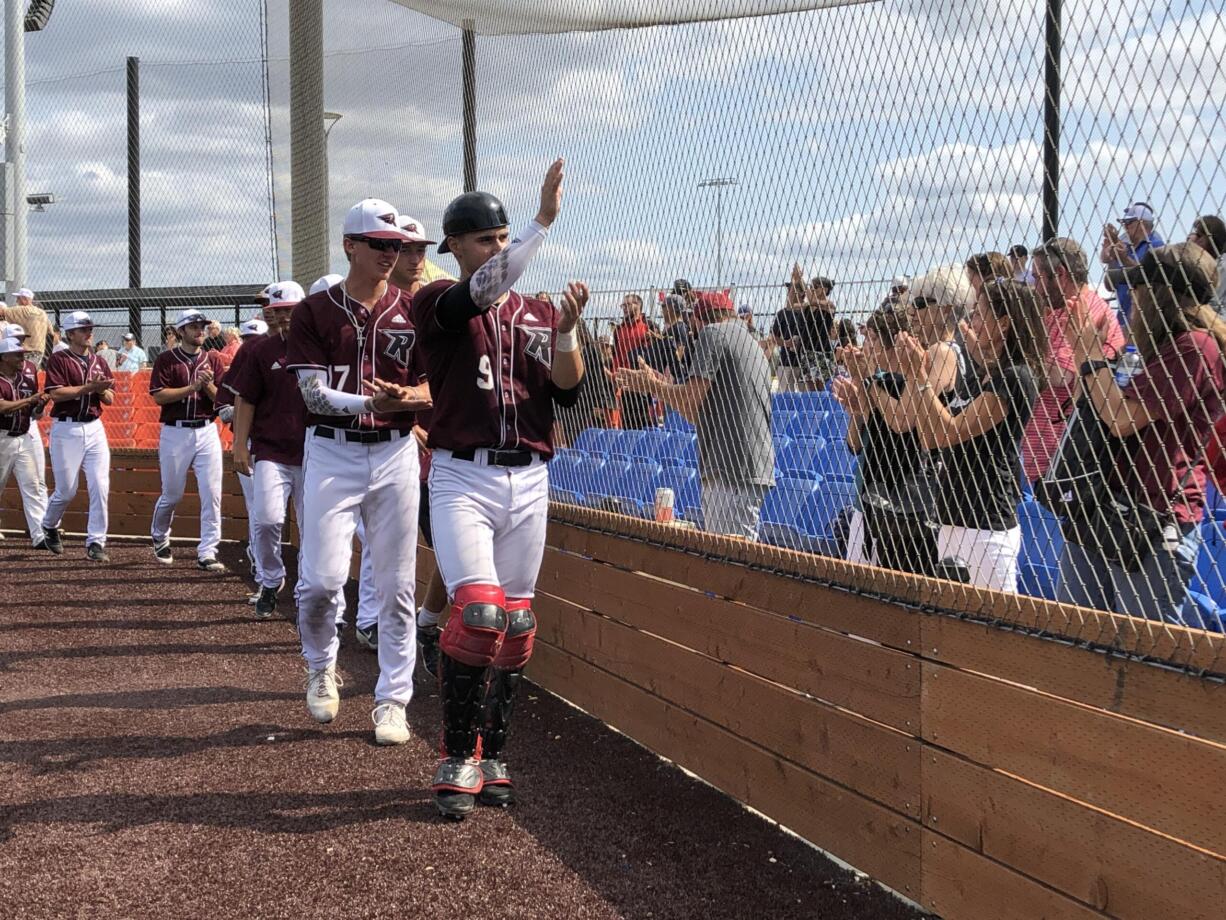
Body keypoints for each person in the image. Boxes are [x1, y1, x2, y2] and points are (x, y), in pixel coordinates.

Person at [412, 159, 587, 818]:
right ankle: (455, 753)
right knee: (480, 612)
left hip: (528, 475)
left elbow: (567, 390)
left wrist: (567, 331)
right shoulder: (435, 302)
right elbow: (478, 293)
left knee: (515, 624)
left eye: (502, 236)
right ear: (452, 246)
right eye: (483, 239)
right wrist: (542, 223)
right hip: (464, 475)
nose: (496, 248)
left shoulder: (537, 312)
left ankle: (492, 752)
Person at [286, 198, 431, 746]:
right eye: (380, 244)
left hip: (393, 451)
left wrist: (410, 397)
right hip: (331, 450)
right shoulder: (315, 310)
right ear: (351, 245)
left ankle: (393, 699)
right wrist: (371, 404)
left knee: (395, 586)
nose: (391, 254)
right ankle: (321, 663)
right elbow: (311, 394)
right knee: (321, 581)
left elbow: (432, 385)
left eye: (397, 245)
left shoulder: (413, 309)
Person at [1059, 243, 1226, 622]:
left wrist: (1089, 355)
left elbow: (1119, 418)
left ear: (1158, 294)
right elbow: (1099, 407)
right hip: (1109, 507)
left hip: (1153, 520)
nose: (1129, 295)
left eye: (1136, 286)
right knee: (1074, 634)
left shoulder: (1196, 347)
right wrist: (1089, 356)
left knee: (1142, 655)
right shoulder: (1160, 348)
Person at [897, 279, 1048, 592]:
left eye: (980, 314)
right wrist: (920, 380)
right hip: (952, 515)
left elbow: (951, 431)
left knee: (991, 630)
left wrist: (919, 377)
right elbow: (929, 438)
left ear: (1004, 323)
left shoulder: (1015, 377)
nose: (971, 322)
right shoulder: (980, 374)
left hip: (986, 523)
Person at [618, 291, 774, 539]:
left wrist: (652, 387)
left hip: (729, 468)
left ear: (700, 320)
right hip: (746, 465)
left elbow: (690, 400)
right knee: (737, 551)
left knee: (729, 558)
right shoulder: (748, 340)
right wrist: (660, 384)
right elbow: (696, 412)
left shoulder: (714, 333)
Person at [834, 306, 937, 575]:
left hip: (903, 505)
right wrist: (856, 398)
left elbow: (899, 423)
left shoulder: (911, 380)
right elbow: (853, 443)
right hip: (867, 500)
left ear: (891, 343)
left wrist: (866, 381)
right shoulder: (874, 381)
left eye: (872, 339)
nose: (865, 346)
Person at [231, 284, 306, 618]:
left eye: (292, 309)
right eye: (280, 310)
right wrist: (239, 446)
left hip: (315, 453)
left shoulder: (321, 348)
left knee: (314, 529)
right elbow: (245, 399)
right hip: (271, 450)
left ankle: (309, 591)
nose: (286, 316)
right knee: (266, 519)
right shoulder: (261, 350)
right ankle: (271, 580)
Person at [1026, 238, 1126, 483]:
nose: (1035, 287)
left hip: (1058, 454)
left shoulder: (1083, 310)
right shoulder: (1059, 309)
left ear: (1059, 274)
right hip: (1044, 446)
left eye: (1038, 278)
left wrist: (1015, 358)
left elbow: (1062, 374)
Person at [148, 309, 229, 572]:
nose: (200, 330)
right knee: (172, 494)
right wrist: (191, 388)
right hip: (176, 431)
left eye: (202, 326)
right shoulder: (166, 359)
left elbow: (221, 399)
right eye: (193, 326)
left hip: (206, 429)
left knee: (212, 493)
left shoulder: (213, 360)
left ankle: (208, 550)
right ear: (181, 331)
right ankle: (160, 535)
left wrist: (206, 387)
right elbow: (159, 396)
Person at [40, 311, 114, 561]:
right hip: (66, 427)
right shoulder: (59, 359)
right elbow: (56, 394)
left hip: (94, 426)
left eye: (90, 329)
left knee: (100, 484)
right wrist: (89, 388)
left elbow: (111, 398)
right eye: (83, 329)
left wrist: (101, 391)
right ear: (70, 334)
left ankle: (96, 542)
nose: (89, 332)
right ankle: (49, 525)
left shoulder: (99, 361)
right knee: (66, 491)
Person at [216, 315, 269, 591]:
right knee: (257, 508)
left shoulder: (275, 360)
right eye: (248, 339)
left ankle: (263, 562)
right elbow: (223, 407)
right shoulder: (238, 368)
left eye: (256, 339)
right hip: (250, 444)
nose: (251, 345)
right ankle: (262, 571)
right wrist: (243, 413)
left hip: (280, 446)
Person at [0, 335, 49, 548]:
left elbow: (34, 414)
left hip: (23, 435)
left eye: (23, 354)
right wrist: (29, 400)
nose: (23, 358)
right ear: (4, 357)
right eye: (17, 355)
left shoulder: (27, 378)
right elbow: (1, 407)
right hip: (1, 438)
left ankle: (40, 536)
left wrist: (39, 405)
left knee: (33, 485)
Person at [1101, 201, 1165, 326]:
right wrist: (1111, 257)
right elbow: (1109, 285)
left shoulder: (1157, 246)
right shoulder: (1126, 247)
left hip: (1146, 320)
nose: (1125, 227)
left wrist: (1124, 259)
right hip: (1123, 317)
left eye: (1128, 223)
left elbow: (1151, 277)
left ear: (1141, 223)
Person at [771, 264, 824, 391]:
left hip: (805, 361)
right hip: (786, 361)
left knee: (806, 397)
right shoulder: (782, 313)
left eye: (791, 289)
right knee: (785, 395)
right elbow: (774, 337)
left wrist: (798, 279)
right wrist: (786, 343)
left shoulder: (807, 311)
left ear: (801, 294)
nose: (789, 292)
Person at [0, 288, 49, 367]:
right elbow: (50, 332)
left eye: (18, 299)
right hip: (39, 351)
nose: (16, 301)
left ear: (24, 299)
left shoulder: (21, 310)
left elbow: (1, 311)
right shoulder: (43, 313)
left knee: (20, 373)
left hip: (25, 351)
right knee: (32, 373)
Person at [1187, 214, 1226, 313]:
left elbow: (1214, 304)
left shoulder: (1222, 265)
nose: (1194, 238)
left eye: (1199, 235)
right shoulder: (1197, 262)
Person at [612, 293, 650, 370]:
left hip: (640, 376)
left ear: (638, 306)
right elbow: (616, 354)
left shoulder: (648, 327)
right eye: (623, 305)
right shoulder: (618, 329)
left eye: (627, 305)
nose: (624, 308)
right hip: (620, 375)